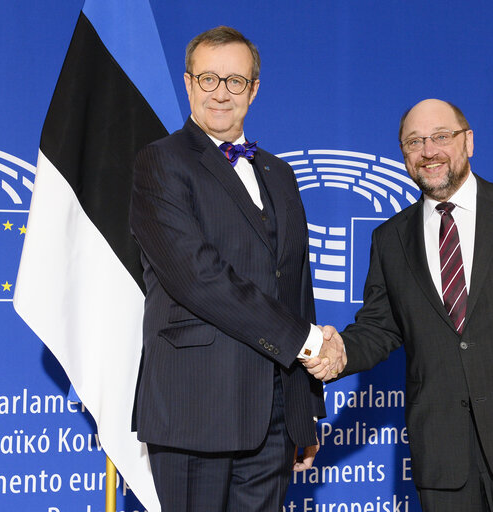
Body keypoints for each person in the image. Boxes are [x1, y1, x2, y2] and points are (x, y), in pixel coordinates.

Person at [305, 99, 493, 511]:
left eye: (440, 137)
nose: (428, 151)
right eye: (414, 142)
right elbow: (380, 328)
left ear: (468, 141)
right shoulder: (390, 239)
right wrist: (340, 351)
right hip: (445, 461)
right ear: (404, 157)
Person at [130, 26, 343, 511]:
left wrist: (304, 413)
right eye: (208, 79)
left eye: (235, 81)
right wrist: (308, 342)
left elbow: (295, 287)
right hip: (194, 408)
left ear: (254, 89)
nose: (221, 93)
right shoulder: (160, 162)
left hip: (271, 415)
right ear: (188, 84)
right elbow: (197, 278)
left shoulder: (279, 173)